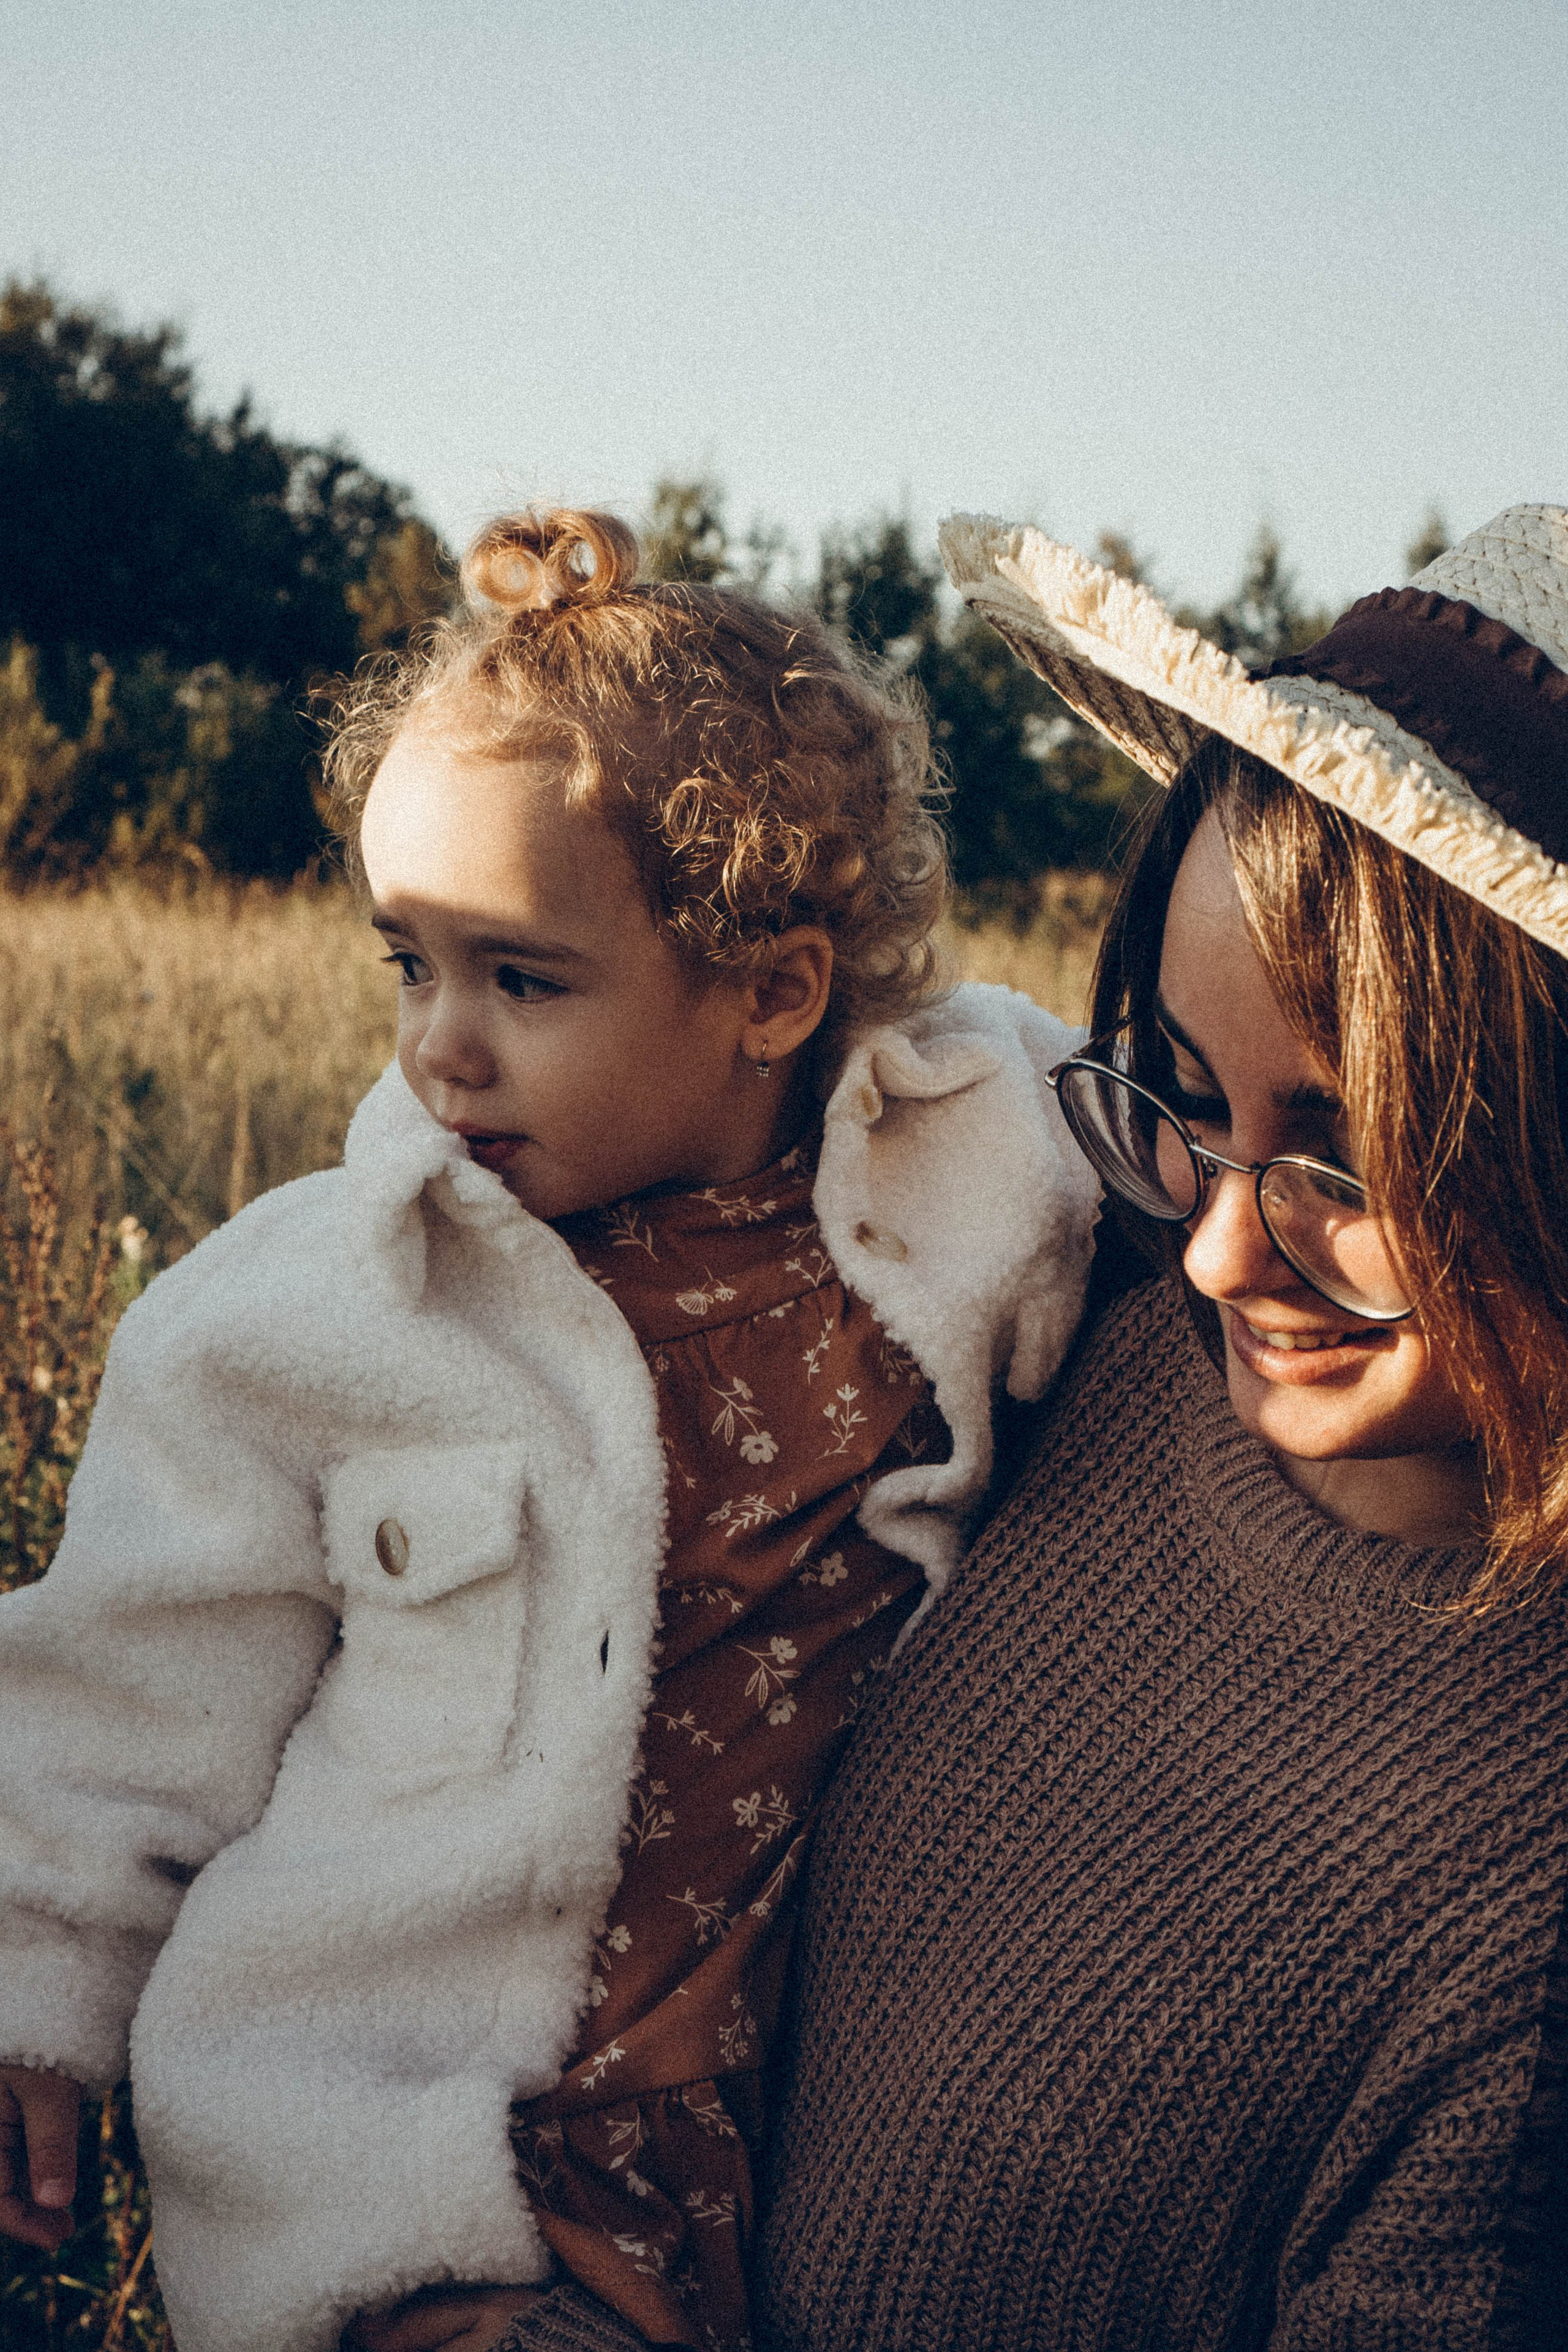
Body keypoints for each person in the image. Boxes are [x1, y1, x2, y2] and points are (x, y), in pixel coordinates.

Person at [0, 508, 1098, 2352]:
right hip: (387, 2142)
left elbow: (1192, 1139)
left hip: (768, 2148)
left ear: (771, 992)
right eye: (406, 965)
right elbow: (132, 1670)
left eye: (521, 978)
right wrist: (33, 1986)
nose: (442, 1049)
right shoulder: (323, 1306)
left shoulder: (973, 1162)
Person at [747, 503, 1568, 2349]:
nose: (1212, 1249)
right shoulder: (1096, 1346)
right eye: (1183, 1100)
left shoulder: (1533, 1919)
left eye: (1346, 1162)